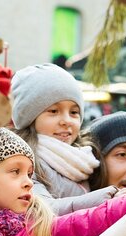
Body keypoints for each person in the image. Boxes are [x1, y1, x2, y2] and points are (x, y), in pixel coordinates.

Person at [11, 63, 118, 215]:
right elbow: (43, 208)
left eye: (74, 112)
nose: (66, 121)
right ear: (29, 117)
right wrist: (105, 199)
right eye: (54, 111)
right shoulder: (24, 161)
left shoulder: (85, 159)